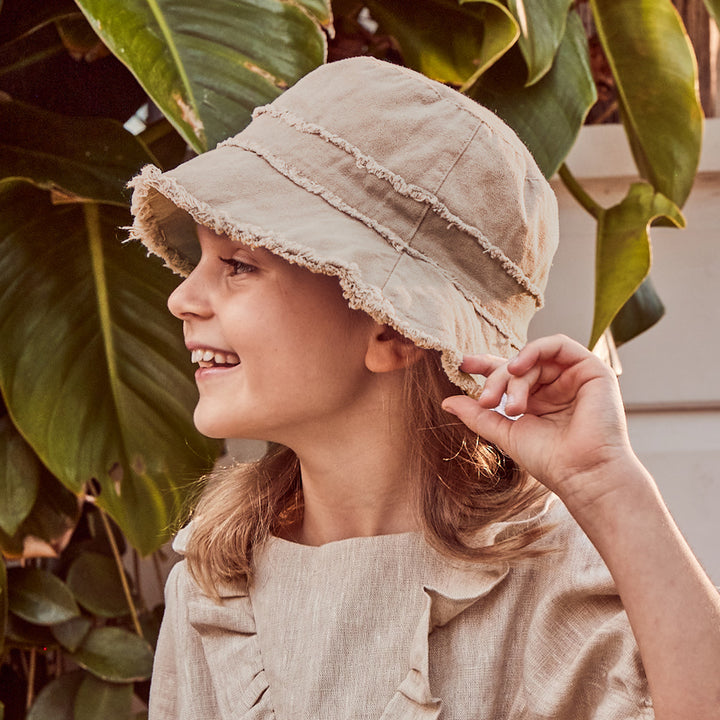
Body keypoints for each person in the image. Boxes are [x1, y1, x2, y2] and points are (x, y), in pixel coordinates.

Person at [129, 57, 720, 719]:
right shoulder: (214, 587)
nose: (182, 298)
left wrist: (612, 487)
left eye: (238, 264)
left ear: (392, 328)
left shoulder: (549, 584)